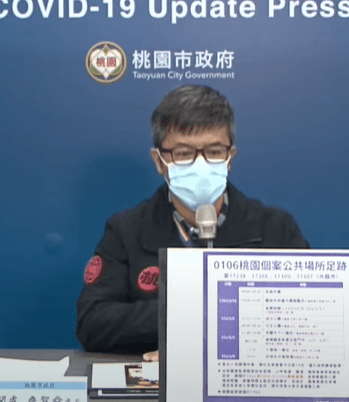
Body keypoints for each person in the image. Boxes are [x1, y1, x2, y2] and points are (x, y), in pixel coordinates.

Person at [76, 85, 310, 359]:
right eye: (183, 153)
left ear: (230, 158)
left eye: (214, 151)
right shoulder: (126, 230)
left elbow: (309, 317)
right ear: (159, 162)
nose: (201, 165)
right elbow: (93, 323)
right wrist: (182, 314)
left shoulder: (276, 229)